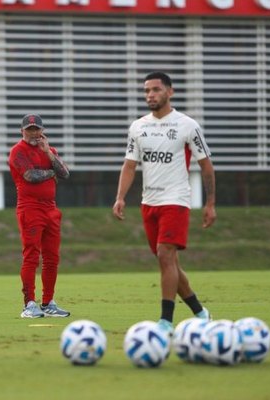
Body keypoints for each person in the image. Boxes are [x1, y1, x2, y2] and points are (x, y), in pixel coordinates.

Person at [112, 72, 216, 333]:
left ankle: (166, 322)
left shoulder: (187, 125)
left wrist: (210, 203)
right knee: (169, 262)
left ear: (170, 92)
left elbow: (206, 166)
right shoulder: (138, 126)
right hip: (149, 202)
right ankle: (200, 313)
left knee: (165, 255)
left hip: (176, 200)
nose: (150, 95)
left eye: (156, 89)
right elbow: (129, 165)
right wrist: (120, 197)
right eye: (147, 90)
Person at [8, 114, 71, 318]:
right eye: (30, 129)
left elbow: (66, 173)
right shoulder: (17, 151)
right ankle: (29, 304)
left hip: (51, 209)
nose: (34, 133)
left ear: (42, 131)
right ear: (22, 131)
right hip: (30, 208)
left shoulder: (49, 151)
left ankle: (48, 302)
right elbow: (30, 176)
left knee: (52, 257)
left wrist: (49, 156)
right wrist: (52, 172)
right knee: (32, 255)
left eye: (37, 129)